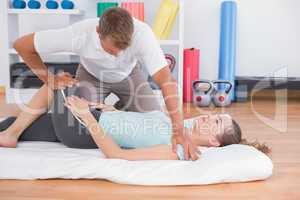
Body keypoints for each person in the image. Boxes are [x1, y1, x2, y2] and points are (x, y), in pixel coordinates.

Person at [12, 7, 197, 160]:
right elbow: (22, 45)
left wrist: (179, 130)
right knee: (77, 125)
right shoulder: (79, 34)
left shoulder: (143, 34)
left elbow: (167, 81)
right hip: (91, 76)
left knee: (154, 122)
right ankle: (13, 128)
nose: (117, 55)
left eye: (122, 50)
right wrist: (49, 79)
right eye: (111, 50)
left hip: (129, 77)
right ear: (98, 32)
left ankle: (116, 111)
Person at [0, 82, 270, 160]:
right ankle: (11, 131)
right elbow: (138, 123)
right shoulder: (181, 127)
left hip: (84, 131)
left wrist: (85, 115)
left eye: (216, 122)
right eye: (214, 114)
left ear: (213, 141)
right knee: (18, 122)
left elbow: (115, 153)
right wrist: (104, 109)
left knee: (54, 83)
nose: (209, 116)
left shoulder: (175, 149)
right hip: (95, 116)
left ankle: (11, 134)